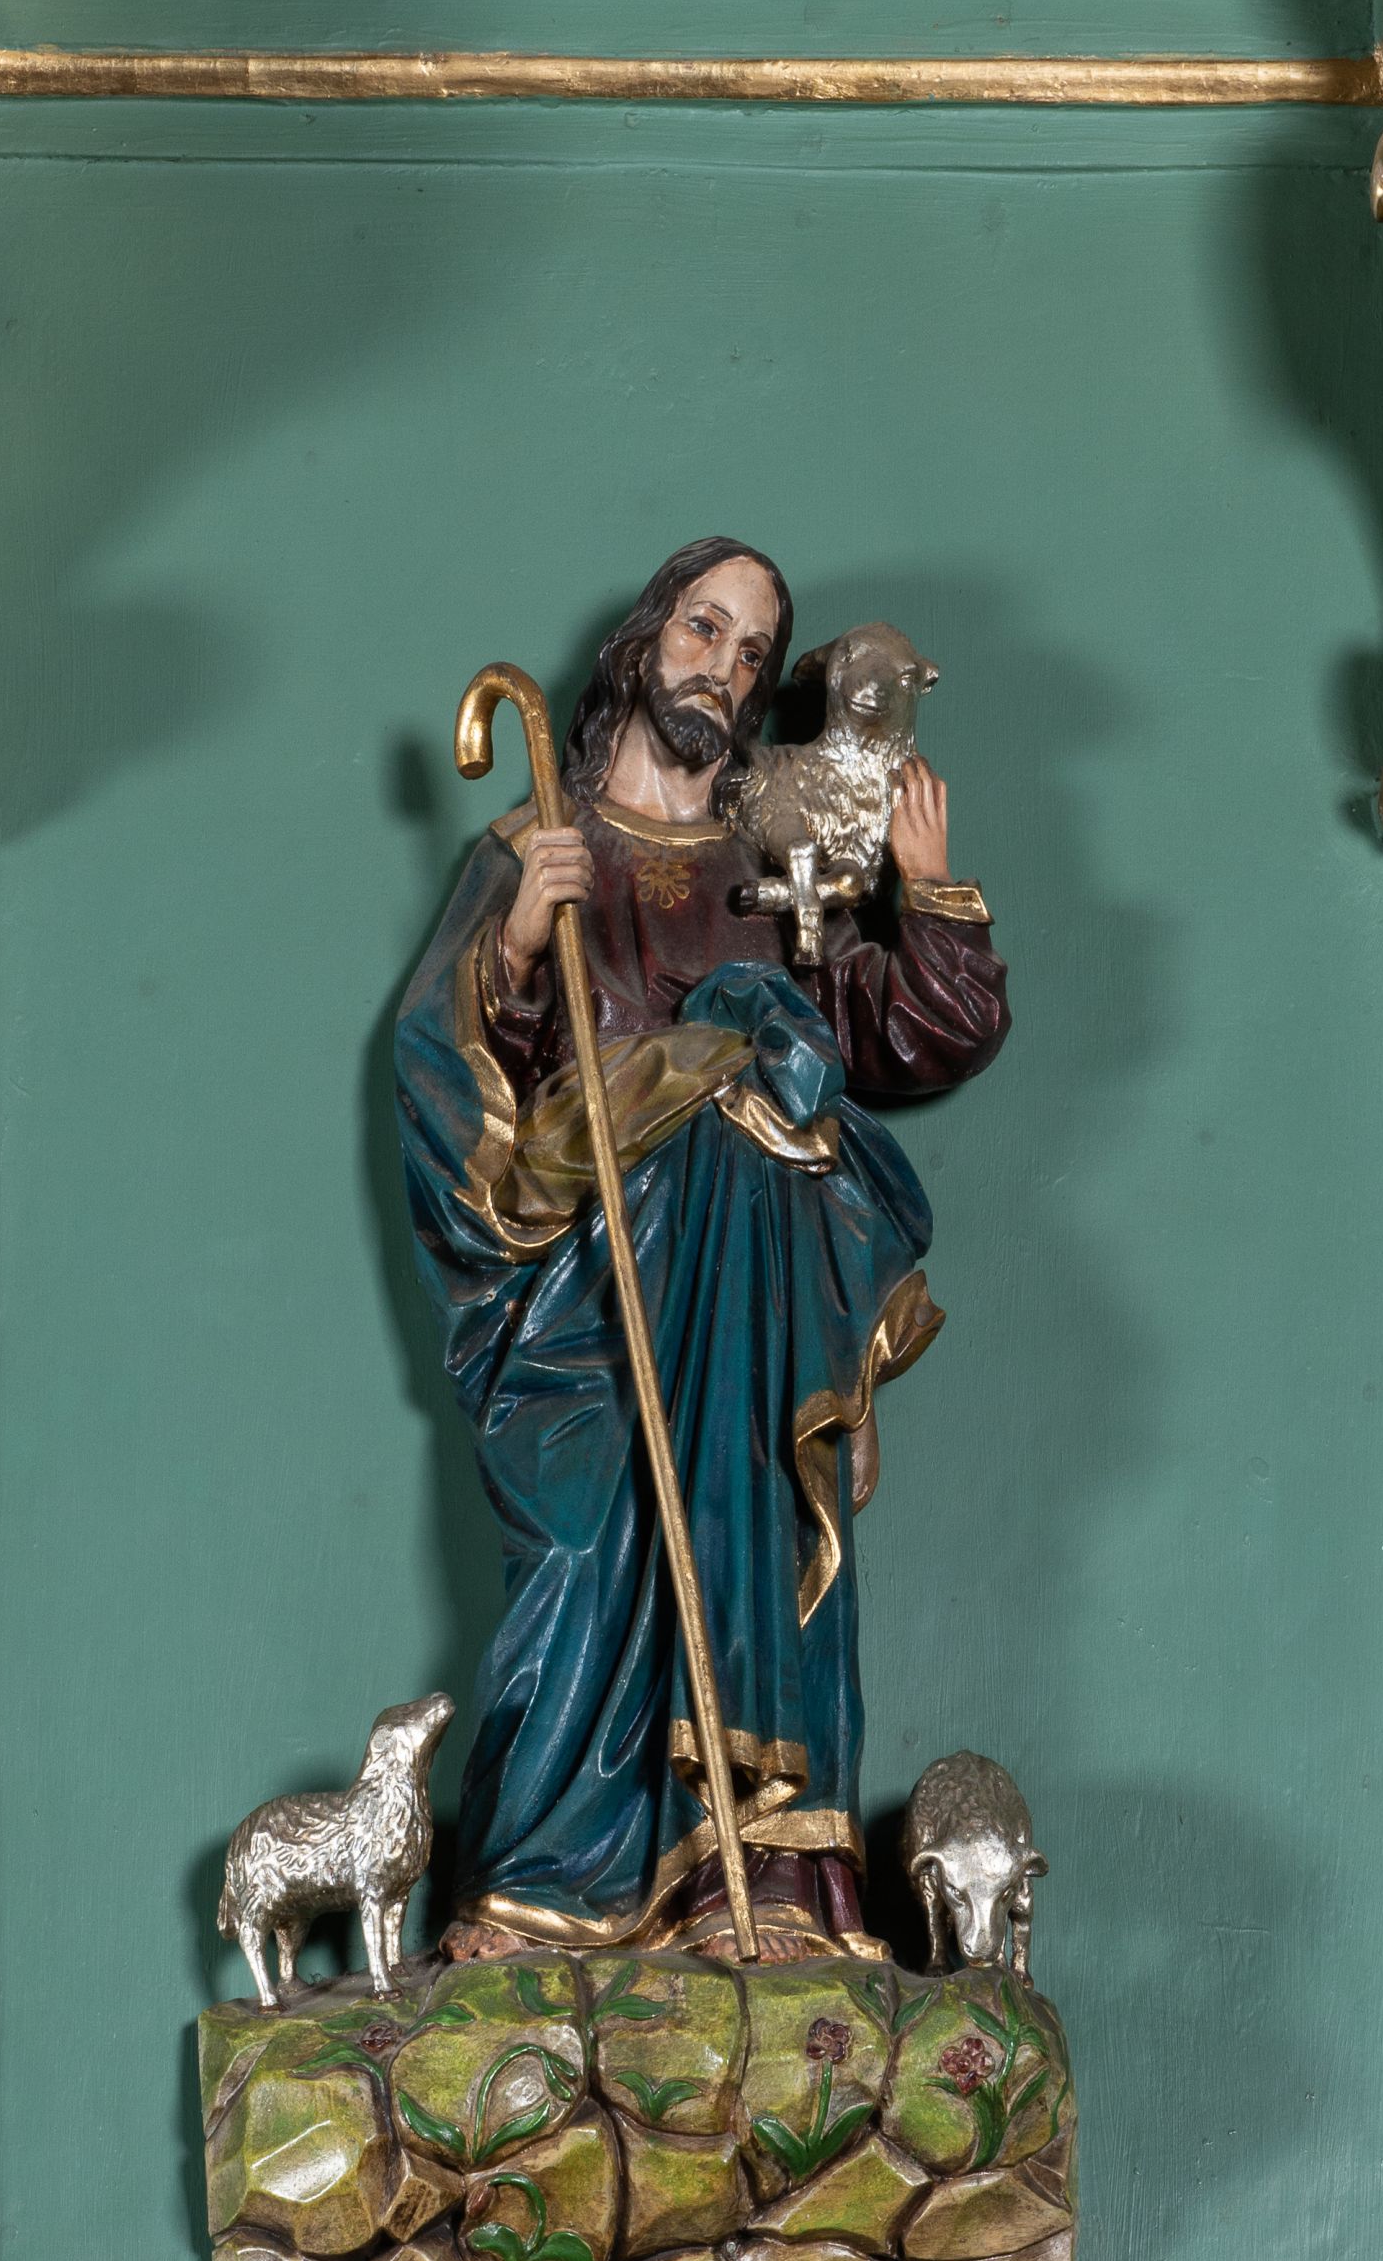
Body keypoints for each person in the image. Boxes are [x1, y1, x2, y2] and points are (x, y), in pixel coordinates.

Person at [393, 536, 1010, 1961]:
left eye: (751, 651)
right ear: (644, 639)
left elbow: (905, 1031)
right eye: (702, 628)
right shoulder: (535, 852)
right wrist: (517, 948)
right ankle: (545, 1884)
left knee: (749, 1543)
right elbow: (443, 1070)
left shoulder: (765, 869)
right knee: (588, 1543)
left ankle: (768, 1886)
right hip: (598, 1287)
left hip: (754, 1298)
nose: (722, 668)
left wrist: (929, 890)